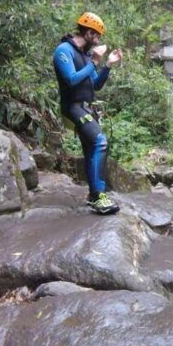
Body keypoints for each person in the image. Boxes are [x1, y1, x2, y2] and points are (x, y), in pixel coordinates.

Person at [53, 12, 123, 215]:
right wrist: (94, 61)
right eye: (97, 35)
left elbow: (95, 85)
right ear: (89, 31)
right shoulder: (63, 50)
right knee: (100, 142)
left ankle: (95, 194)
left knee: (91, 148)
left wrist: (107, 64)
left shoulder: (85, 55)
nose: (99, 40)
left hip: (85, 107)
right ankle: (98, 196)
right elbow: (71, 80)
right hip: (72, 106)